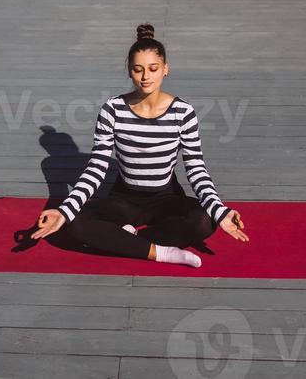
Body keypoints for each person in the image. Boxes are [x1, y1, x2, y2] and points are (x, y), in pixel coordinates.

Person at [31, 22, 249, 268]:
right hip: (123, 199)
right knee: (77, 223)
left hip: (166, 198)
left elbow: (196, 169)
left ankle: (128, 240)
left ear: (165, 69)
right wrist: (63, 211)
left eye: (153, 69)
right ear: (129, 71)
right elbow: (96, 169)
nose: (146, 77)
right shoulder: (112, 110)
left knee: (204, 221)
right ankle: (164, 252)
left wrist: (221, 212)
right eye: (138, 70)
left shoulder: (183, 112)